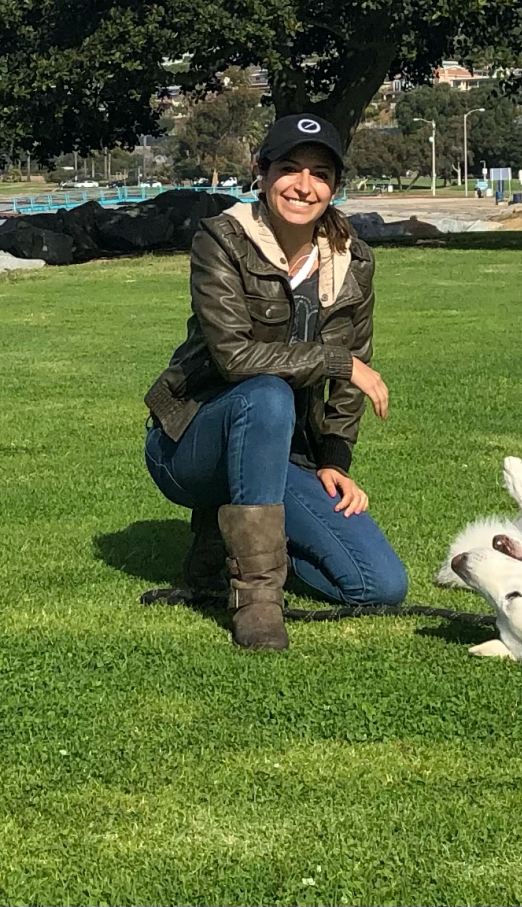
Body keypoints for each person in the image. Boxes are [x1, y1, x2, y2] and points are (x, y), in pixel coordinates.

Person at [143, 113, 408, 651]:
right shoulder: (222, 240)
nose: (304, 186)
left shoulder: (353, 261)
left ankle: (224, 544)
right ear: (261, 173)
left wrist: (334, 460)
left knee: (377, 585)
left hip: (281, 453)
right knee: (265, 393)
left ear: (335, 188)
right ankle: (257, 602)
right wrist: (335, 363)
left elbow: (354, 374)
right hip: (191, 443)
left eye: (320, 174)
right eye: (289, 168)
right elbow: (236, 357)